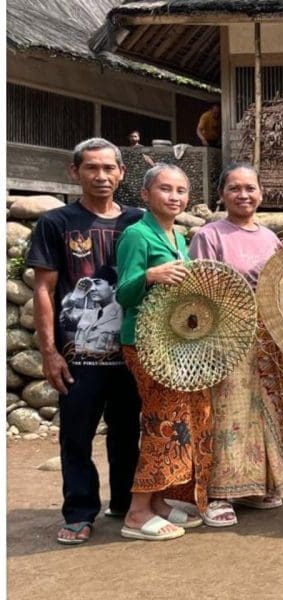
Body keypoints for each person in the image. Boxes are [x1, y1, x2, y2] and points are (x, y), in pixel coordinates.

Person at [27, 138, 143, 545]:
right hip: (79, 355)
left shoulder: (137, 221)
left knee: (129, 432)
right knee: (76, 435)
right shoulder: (57, 223)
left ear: (122, 173)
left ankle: (126, 503)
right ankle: (79, 510)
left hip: (131, 352)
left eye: (109, 168)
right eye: (91, 168)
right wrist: (49, 351)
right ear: (74, 172)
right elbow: (44, 290)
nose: (101, 176)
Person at [188, 162, 283, 526]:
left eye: (250, 188)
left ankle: (259, 484)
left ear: (261, 193)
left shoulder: (269, 238)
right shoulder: (210, 235)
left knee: (267, 408)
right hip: (226, 336)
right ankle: (219, 493)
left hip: (267, 336)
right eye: (234, 188)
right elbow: (200, 290)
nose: (243, 195)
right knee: (227, 412)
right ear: (222, 195)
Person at [115, 163, 208, 541]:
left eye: (181, 190)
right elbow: (123, 292)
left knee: (180, 418)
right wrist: (149, 276)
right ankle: (136, 512)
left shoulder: (178, 237)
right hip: (143, 343)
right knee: (162, 421)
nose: (174, 196)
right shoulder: (137, 235)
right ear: (145, 195)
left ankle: (158, 501)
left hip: (171, 344)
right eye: (165, 189)